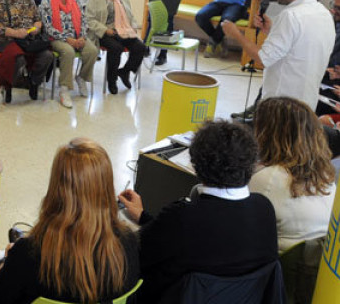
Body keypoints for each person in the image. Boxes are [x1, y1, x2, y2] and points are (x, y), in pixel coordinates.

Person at [119, 120, 279, 303]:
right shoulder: (264, 209)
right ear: (251, 163)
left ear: (195, 164)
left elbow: (137, 258)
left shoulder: (181, 217)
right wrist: (143, 217)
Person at [0, 138, 139, 303]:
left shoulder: (28, 254)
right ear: (105, 189)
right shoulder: (128, 244)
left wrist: (5, 265)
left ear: (56, 189)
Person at [223, 0, 334, 111]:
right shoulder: (323, 13)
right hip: (307, 102)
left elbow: (263, 59)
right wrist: (271, 31)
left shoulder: (291, 16)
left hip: (282, 105)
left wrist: (236, 34)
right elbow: (298, 47)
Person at [250, 97, 336, 252]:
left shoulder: (267, 178)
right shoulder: (325, 174)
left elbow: (240, 225)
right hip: (318, 263)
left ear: (266, 133)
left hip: (280, 266)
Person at [0, 0, 54, 102]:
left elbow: (38, 19)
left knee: (47, 56)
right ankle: (10, 85)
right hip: (8, 39)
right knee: (18, 59)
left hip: (29, 39)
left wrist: (36, 27)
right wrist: (14, 33)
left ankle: (34, 83)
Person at [42, 0, 97, 108]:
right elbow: (48, 28)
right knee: (69, 52)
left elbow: (84, 20)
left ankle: (82, 77)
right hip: (56, 38)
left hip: (78, 36)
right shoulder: (46, 2)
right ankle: (64, 89)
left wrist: (83, 36)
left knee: (92, 50)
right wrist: (67, 39)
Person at [85, 0, 145, 94]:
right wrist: (105, 29)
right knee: (116, 48)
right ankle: (111, 81)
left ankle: (125, 71)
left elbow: (130, 16)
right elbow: (89, 20)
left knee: (141, 47)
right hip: (103, 32)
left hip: (123, 30)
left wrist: (133, 26)